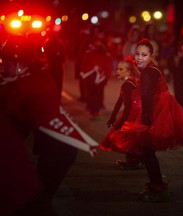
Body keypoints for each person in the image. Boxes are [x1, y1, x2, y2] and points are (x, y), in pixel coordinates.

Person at [0, 34, 98, 215]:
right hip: (60, 148)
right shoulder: (37, 77)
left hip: (59, 151)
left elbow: (15, 128)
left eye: (6, 62)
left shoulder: (23, 86)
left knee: (34, 201)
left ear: (21, 65)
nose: (3, 67)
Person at [112, 38, 183, 202]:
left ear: (151, 56)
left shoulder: (149, 72)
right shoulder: (150, 69)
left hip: (158, 111)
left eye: (144, 54)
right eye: (137, 54)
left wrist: (146, 121)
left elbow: (147, 97)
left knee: (148, 150)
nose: (139, 58)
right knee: (148, 151)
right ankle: (156, 185)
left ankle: (157, 187)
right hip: (158, 109)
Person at [100, 56, 144, 170]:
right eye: (117, 69)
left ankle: (133, 162)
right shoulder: (128, 83)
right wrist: (113, 116)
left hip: (134, 113)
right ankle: (137, 161)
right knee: (133, 138)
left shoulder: (128, 85)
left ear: (128, 72)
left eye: (121, 69)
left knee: (129, 137)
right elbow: (120, 101)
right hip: (136, 111)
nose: (117, 71)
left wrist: (121, 123)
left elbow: (128, 107)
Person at [80, 39, 113, 120]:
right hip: (100, 78)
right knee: (97, 94)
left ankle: (92, 108)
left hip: (90, 76)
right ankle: (95, 110)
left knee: (92, 93)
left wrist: (84, 73)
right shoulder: (105, 55)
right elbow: (108, 68)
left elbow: (83, 65)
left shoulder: (89, 54)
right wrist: (106, 77)